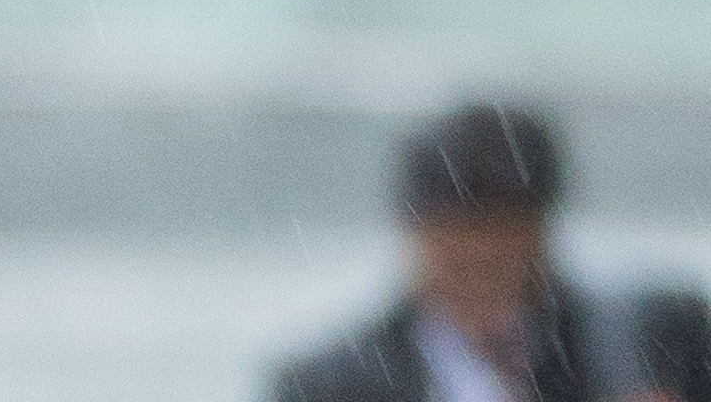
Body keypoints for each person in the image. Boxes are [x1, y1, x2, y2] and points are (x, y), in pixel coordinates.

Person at [272, 103, 710, 402]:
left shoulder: (645, 348)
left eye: (506, 226)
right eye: (463, 228)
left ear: (541, 232)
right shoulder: (327, 385)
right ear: (417, 228)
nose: (484, 253)